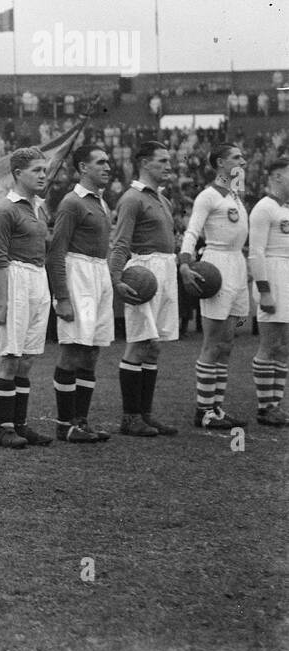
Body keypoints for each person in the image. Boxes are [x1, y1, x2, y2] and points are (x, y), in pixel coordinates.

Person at [108, 141, 181, 437]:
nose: (169, 166)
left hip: (166, 268)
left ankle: (146, 415)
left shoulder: (164, 200)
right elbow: (121, 242)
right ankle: (129, 417)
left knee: (154, 345)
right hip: (143, 272)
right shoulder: (132, 199)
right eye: (162, 161)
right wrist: (116, 279)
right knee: (139, 341)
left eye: (169, 161)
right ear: (145, 163)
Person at [46, 144, 115, 443]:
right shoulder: (71, 203)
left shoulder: (102, 203)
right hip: (78, 275)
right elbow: (56, 252)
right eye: (100, 162)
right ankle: (65, 424)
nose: (108, 167)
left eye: (108, 162)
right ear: (83, 168)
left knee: (92, 351)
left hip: (99, 275)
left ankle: (81, 422)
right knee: (73, 349)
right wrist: (62, 296)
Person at [180, 144, 250, 430]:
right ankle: (203, 410)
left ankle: (216, 408)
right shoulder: (208, 196)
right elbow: (192, 231)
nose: (242, 161)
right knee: (212, 343)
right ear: (220, 163)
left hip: (237, 266)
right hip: (215, 267)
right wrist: (185, 264)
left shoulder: (235, 195)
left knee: (227, 344)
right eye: (236, 157)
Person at [0, 147, 54, 448]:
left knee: (26, 359)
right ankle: (5, 428)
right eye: (36, 170)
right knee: (11, 357)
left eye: (45, 169)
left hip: (38, 278)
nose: (43, 175)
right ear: (17, 174)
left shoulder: (39, 207)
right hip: (14, 279)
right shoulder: (5, 208)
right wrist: (1, 303)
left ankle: (21, 424)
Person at [249, 158, 289, 426]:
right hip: (271, 276)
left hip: (286, 275)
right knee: (269, 344)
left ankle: (276, 405)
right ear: (276, 176)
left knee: (284, 346)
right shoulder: (263, 208)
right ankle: (265, 407)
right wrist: (264, 291)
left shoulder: (285, 209)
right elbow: (256, 252)